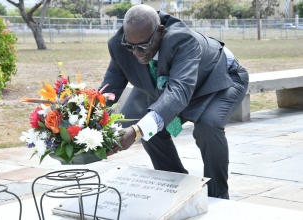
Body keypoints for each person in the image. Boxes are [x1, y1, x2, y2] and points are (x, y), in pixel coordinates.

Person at [100, 4, 249, 199]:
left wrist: (136, 131)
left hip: (221, 78)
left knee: (208, 126)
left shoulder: (183, 40)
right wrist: (78, 119)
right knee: (151, 130)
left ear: (160, 32)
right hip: (176, 86)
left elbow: (179, 92)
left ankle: (217, 196)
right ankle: (178, 188)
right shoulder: (120, 45)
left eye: (143, 46)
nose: (136, 53)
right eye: (131, 46)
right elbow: (107, 92)